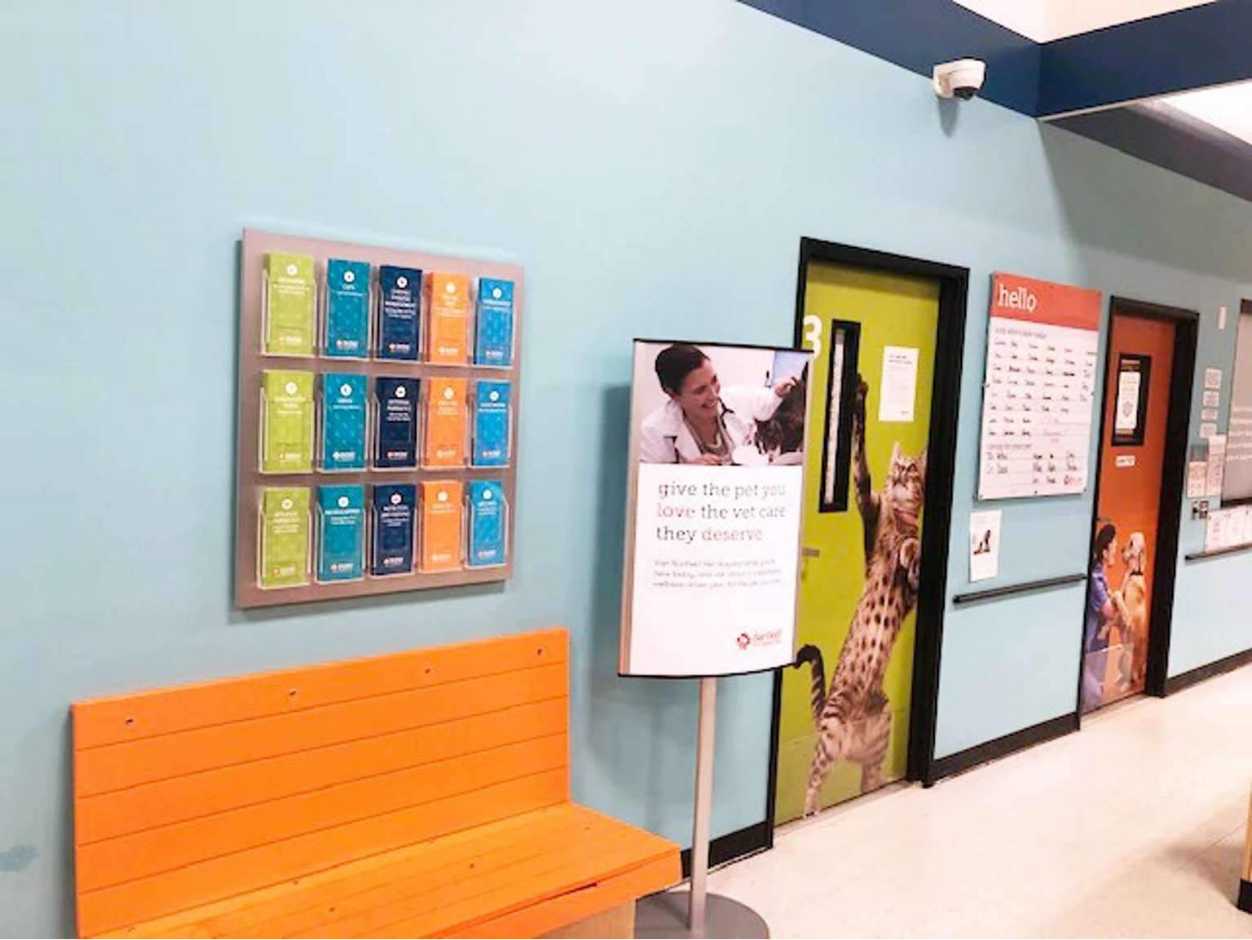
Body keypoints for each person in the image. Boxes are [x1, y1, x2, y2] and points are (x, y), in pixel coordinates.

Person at [639, 344, 798, 464]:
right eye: (700, 390)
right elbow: (648, 489)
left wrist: (779, 392)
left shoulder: (734, 398)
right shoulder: (653, 432)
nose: (714, 395)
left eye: (714, 380)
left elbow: (766, 404)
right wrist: (685, 475)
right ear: (672, 394)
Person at [1081, 522, 1131, 712]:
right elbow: (1110, 610)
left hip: (1098, 644)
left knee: (1096, 694)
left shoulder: (1102, 574)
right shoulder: (1095, 577)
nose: (1117, 551)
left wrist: (1127, 575)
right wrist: (1118, 597)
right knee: (1093, 696)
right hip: (1088, 643)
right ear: (1104, 551)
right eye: (1114, 547)